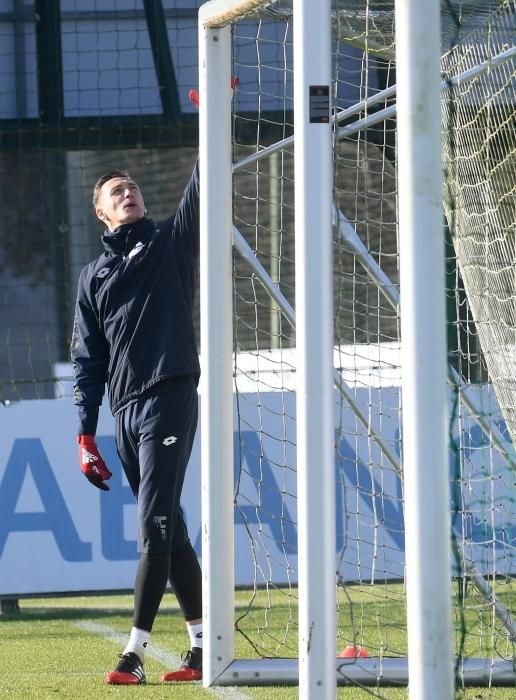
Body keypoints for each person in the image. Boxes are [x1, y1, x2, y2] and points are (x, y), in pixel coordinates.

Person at [70, 159, 203, 685]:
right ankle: (200, 647)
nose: (129, 193)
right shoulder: (93, 276)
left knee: (152, 523)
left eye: (134, 187)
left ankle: (134, 654)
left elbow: (203, 186)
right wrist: (85, 431)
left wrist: (214, 115)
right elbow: (88, 360)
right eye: (116, 191)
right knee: (171, 530)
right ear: (101, 212)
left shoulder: (170, 241)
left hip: (169, 394)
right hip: (124, 414)